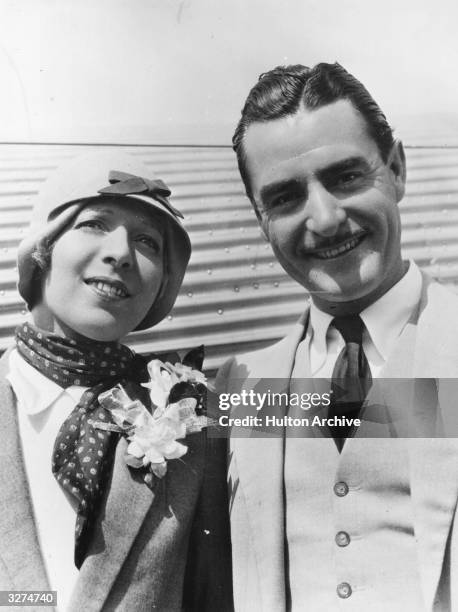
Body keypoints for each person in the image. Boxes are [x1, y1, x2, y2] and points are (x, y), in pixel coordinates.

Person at [217, 62, 458, 611]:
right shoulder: (242, 389)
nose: (323, 219)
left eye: (347, 176)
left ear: (396, 169)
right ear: (260, 218)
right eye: (284, 197)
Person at [0, 151, 233, 611]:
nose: (122, 254)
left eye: (148, 242)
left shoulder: (192, 408)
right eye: (94, 224)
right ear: (43, 250)